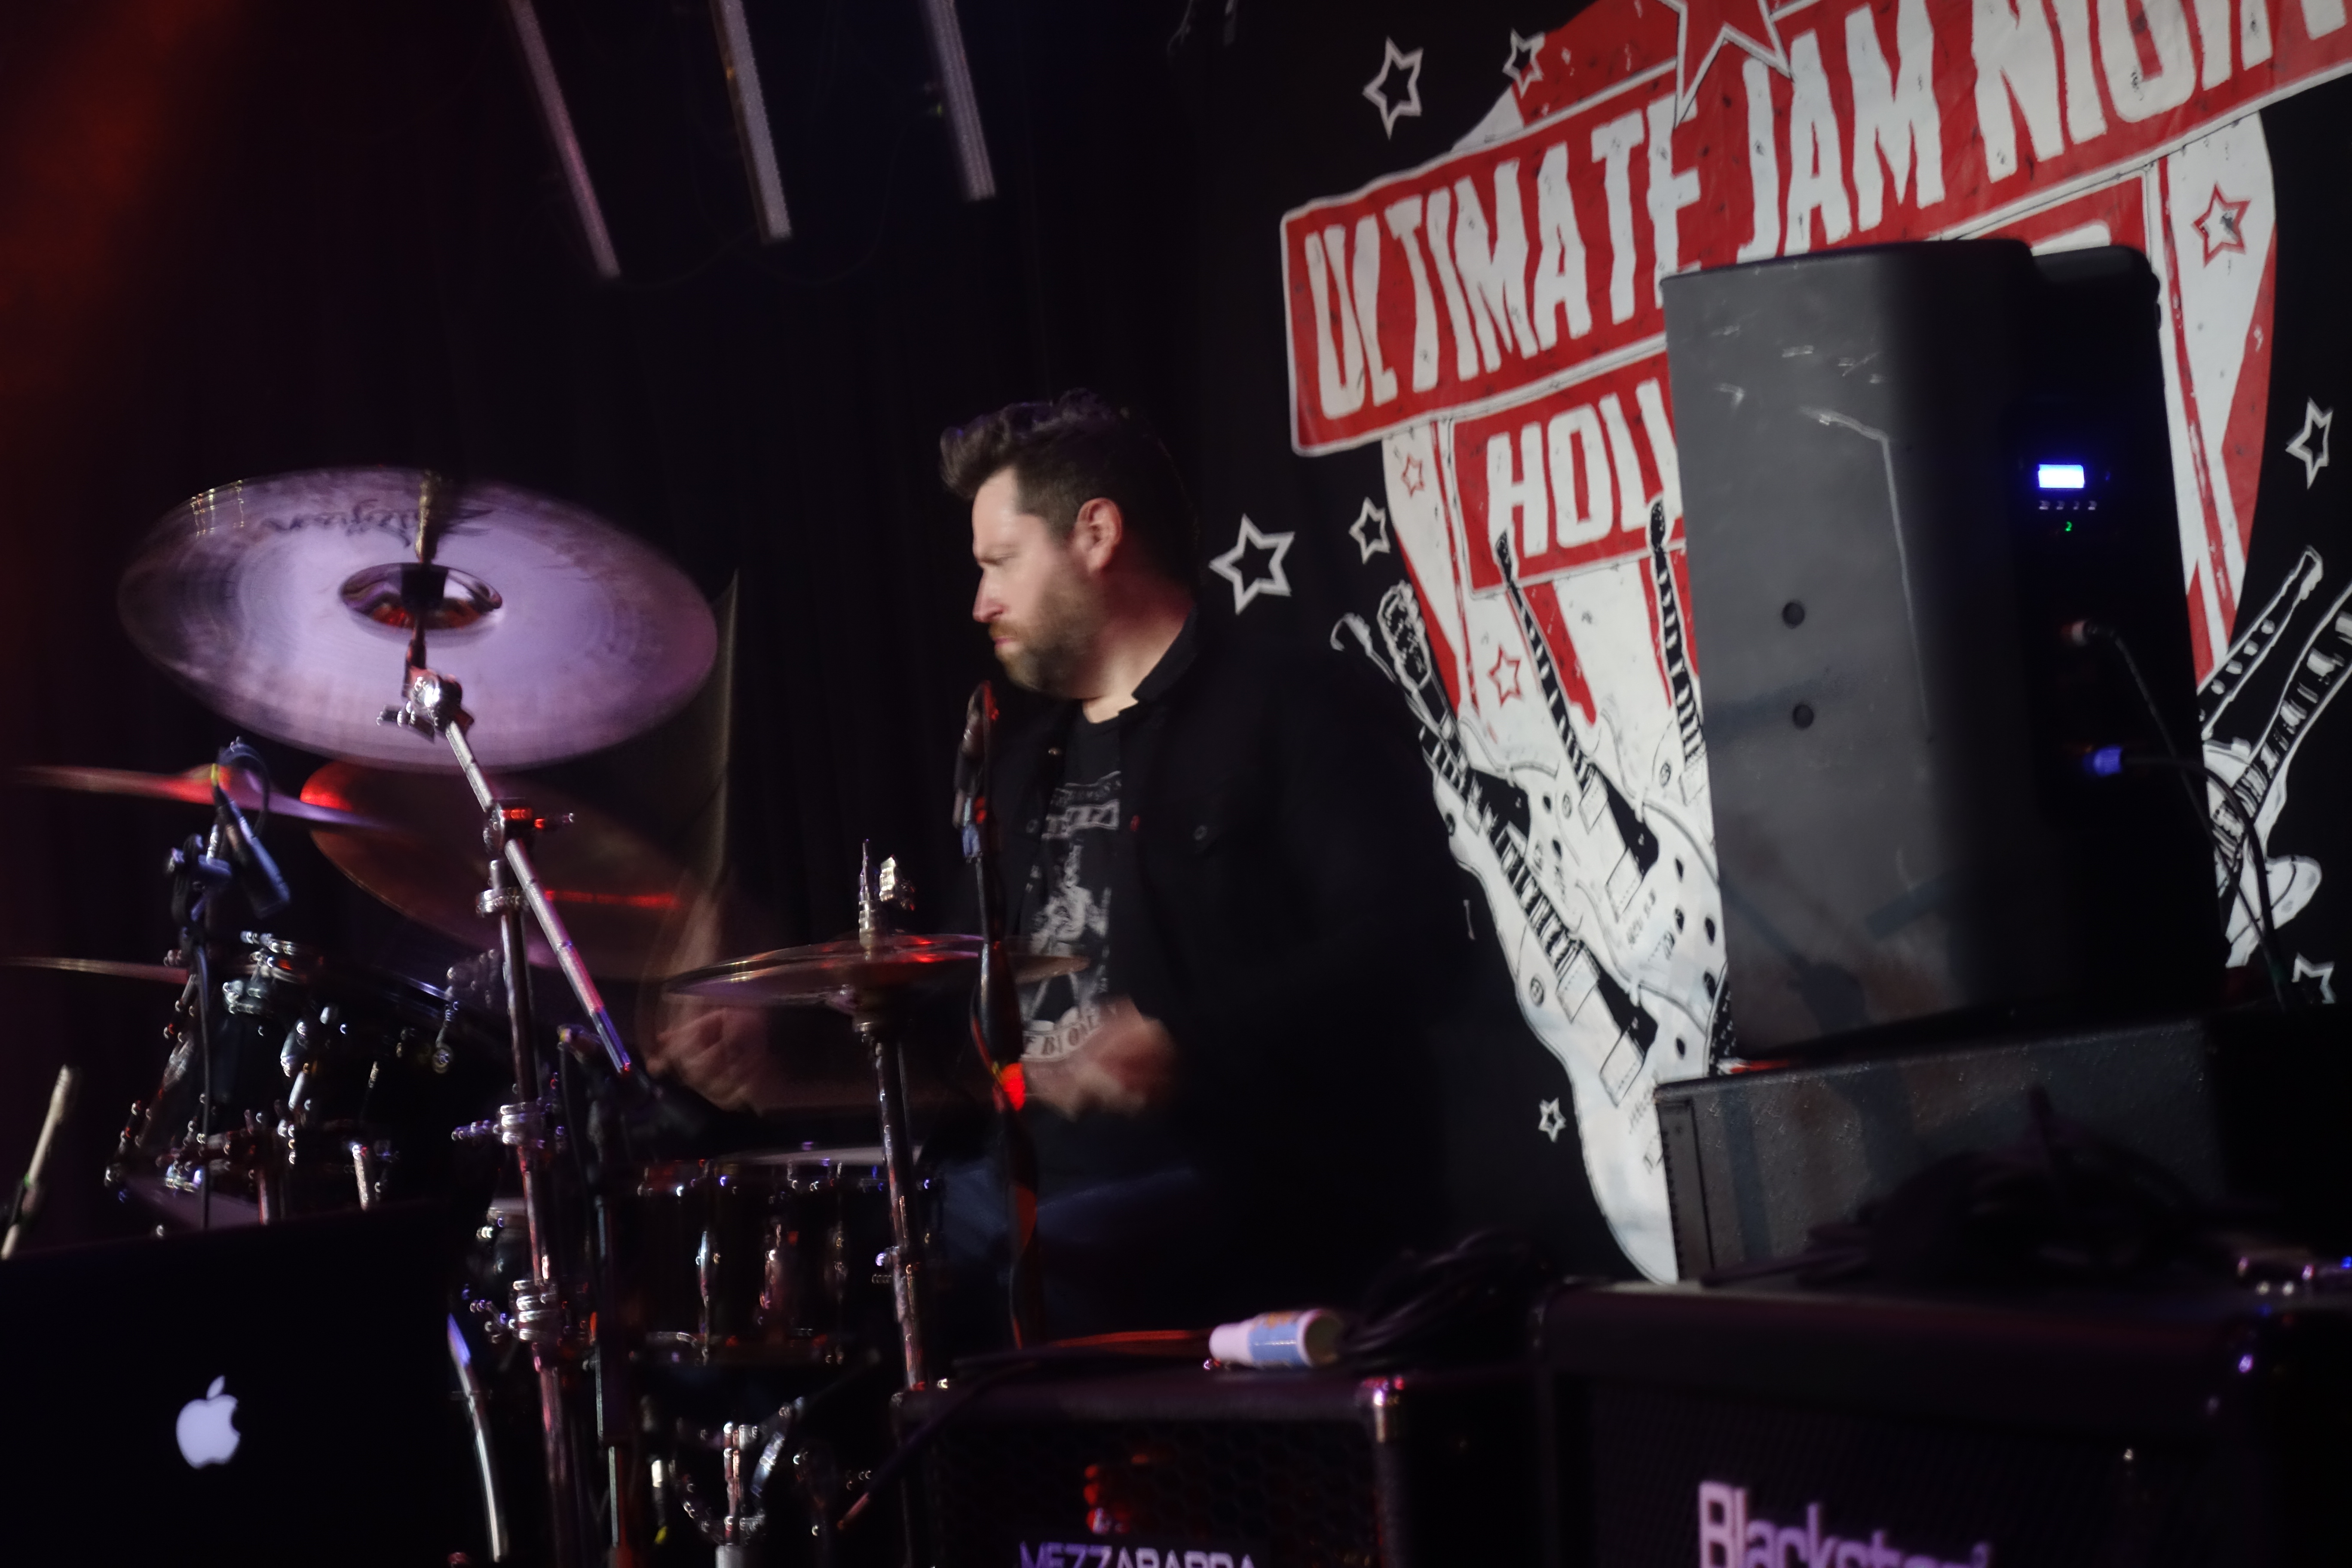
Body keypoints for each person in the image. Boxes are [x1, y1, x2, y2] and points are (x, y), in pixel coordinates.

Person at [932, 389, 1468, 1339]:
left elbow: (1415, 948)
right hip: (1031, 1185)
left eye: (1000, 562)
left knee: (1023, 1261)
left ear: (1097, 534)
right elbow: (954, 992)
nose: (982, 602)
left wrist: (1184, 1040)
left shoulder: (1295, 706)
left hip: (1237, 1191)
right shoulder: (1017, 770)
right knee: (874, 1252)